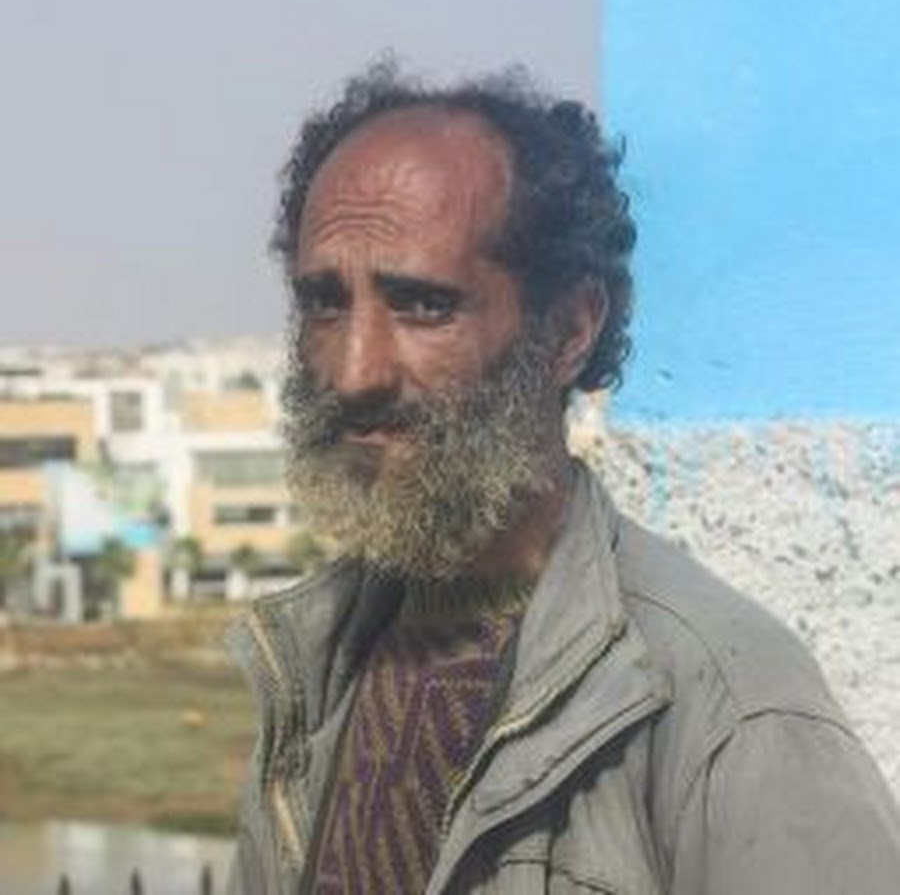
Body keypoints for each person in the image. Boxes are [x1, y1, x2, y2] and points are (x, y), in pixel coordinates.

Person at [227, 63, 900, 894]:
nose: (356, 370)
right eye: (325, 304)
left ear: (570, 329)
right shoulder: (316, 664)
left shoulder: (726, 708)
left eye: (423, 305)